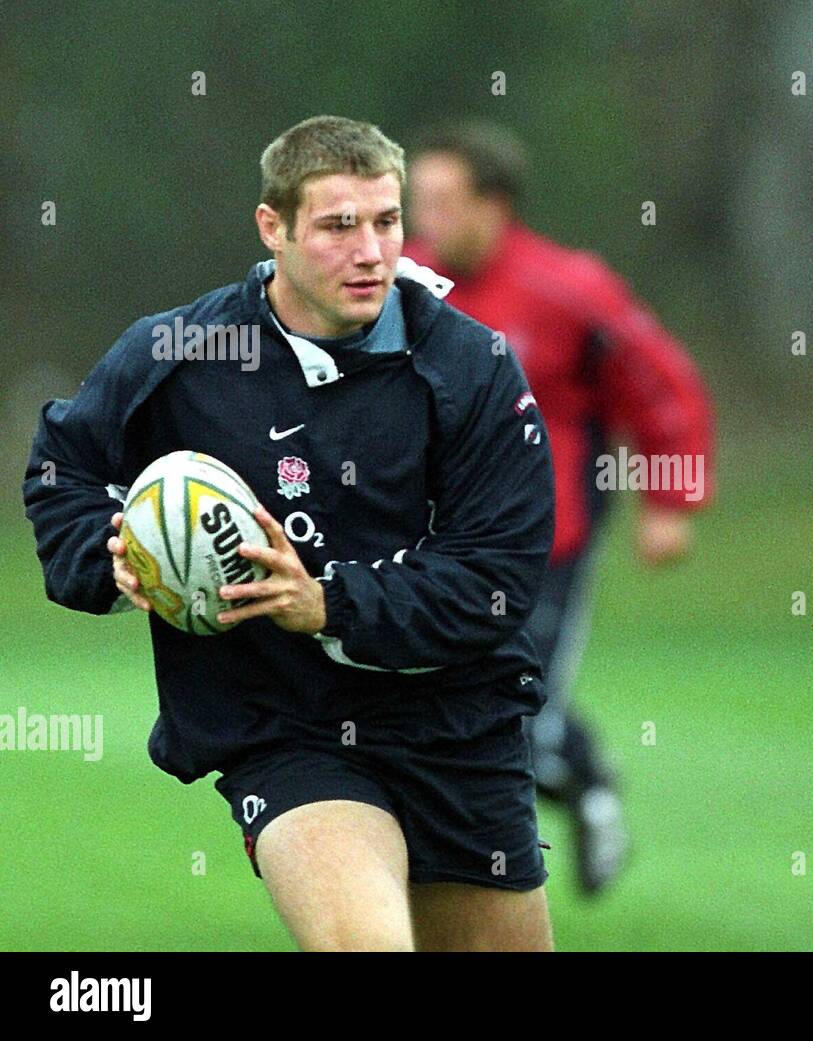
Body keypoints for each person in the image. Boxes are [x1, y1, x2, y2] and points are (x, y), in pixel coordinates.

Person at [23, 115, 558, 951]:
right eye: (339, 225)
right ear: (273, 227)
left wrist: (330, 603)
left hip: (457, 726)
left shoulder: (469, 367)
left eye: (386, 222)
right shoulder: (183, 350)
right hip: (288, 726)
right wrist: (113, 552)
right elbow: (64, 466)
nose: (372, 251)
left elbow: (498, 577)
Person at [403, 124, 714, 895]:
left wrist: (670, 500)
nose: (424, 218)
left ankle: (520, 857)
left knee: (515, 706)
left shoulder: (568, 288)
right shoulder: (399, 284)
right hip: (433, 543)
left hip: (550, 539)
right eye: (419, 200)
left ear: (495, 203)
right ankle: (583, 793)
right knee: (442, 709)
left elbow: (661, 384)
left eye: (444, 200)